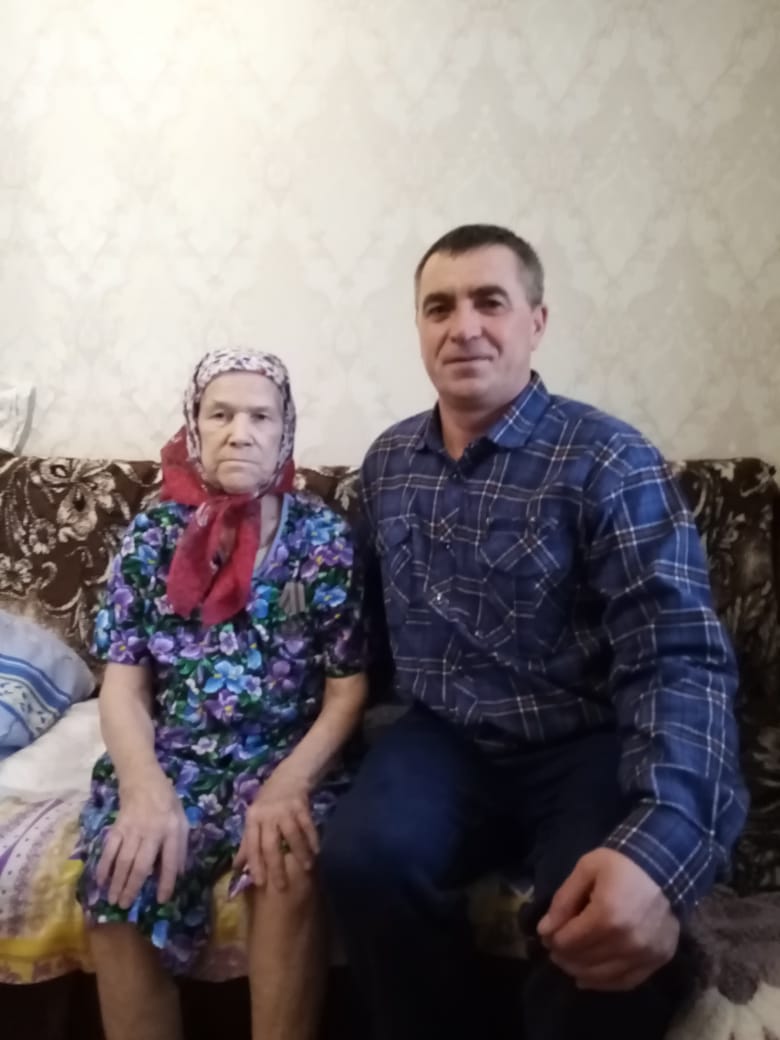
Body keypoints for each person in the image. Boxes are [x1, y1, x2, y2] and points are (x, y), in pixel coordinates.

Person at [319, 224, 748, 1040]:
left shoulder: (609, 460)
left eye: (490, 302)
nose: (464, 327)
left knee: (592, 919)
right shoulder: (388, 464)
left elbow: (678, 657)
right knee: (360, 858)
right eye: (439, 307)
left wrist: (665, 844)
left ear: (536, 322)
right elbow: (352, 633)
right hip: (443, 736)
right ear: (419, 328)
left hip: (584, 738)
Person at [75, 348, 367, 1040]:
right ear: (194, 427)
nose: (240, 433)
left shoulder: (323, 538)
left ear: (285, 432)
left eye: (261, 417)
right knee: (121, 875)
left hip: (285, 755)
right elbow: (123, 685)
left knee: (287, 861)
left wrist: (290, 784)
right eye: (220, 415)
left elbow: (347, 690)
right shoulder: (151, 537)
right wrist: (144, 789)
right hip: (174, 755)